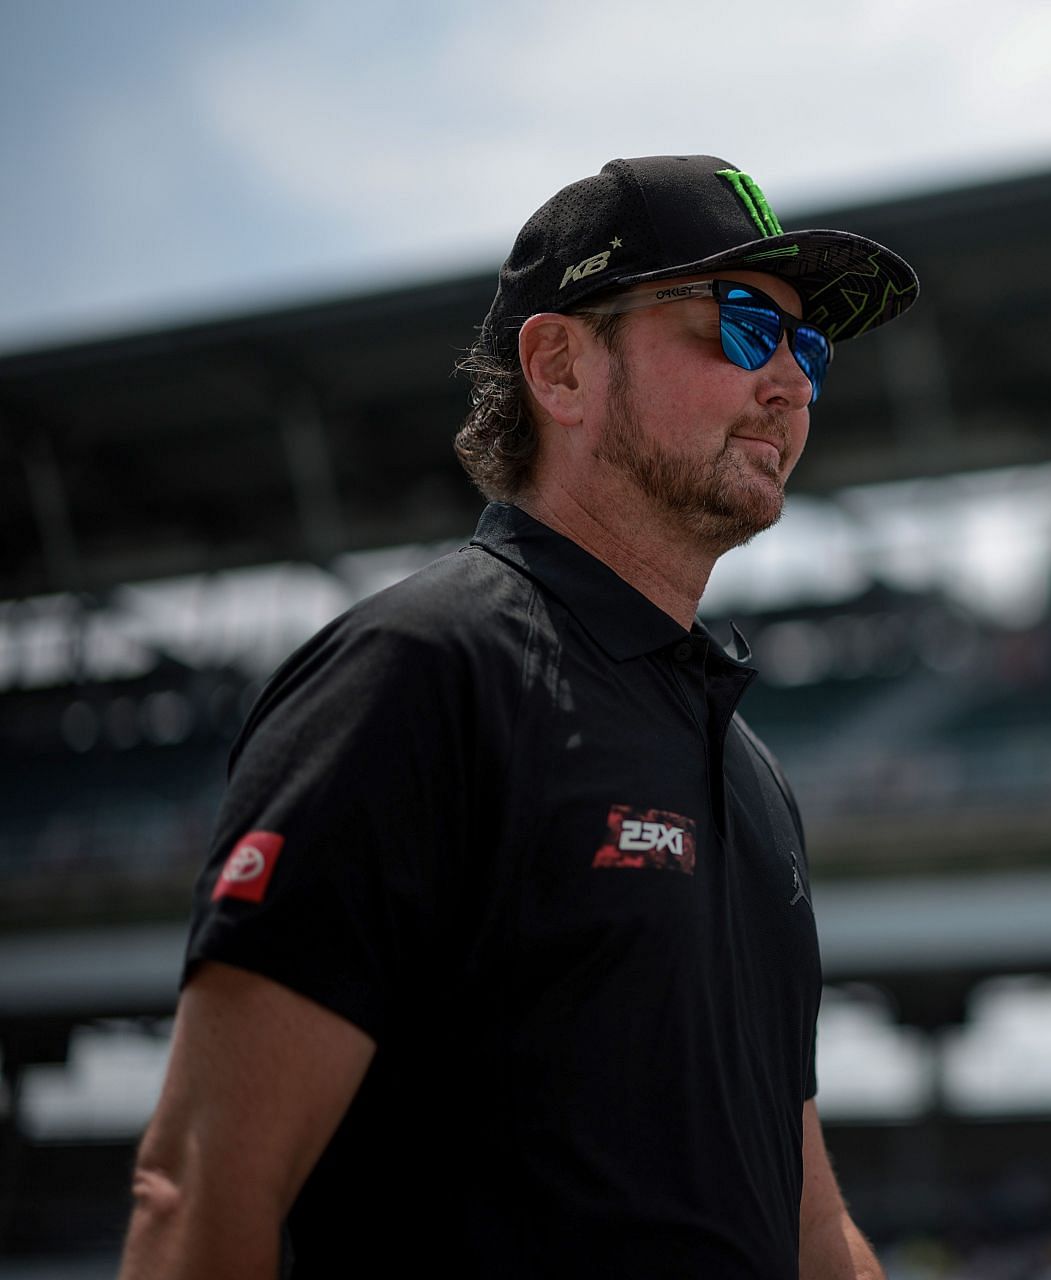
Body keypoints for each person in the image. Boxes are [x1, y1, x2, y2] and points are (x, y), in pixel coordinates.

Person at [119, 155, 919, 1279]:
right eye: (743, 327)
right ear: (561, 366)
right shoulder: (419, 674)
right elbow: (199, 1191)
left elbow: (808, 1224)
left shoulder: (749, 770)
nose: (789, 381)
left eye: (809, 347)